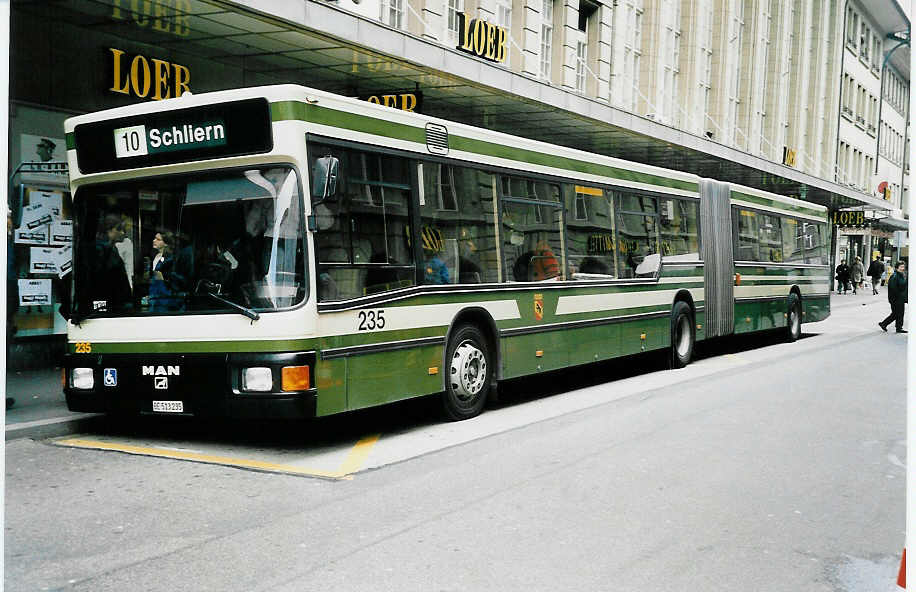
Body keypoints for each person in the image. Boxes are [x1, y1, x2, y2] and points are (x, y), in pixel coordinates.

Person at [149, 231, 181, 311]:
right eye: (154, 238)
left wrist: (161, 278)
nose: (154, 240)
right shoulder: (156, 256)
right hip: (155, 297)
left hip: (164, 300)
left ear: (166, 243)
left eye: (158, 239)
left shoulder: (170, 260)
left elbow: (172, 282)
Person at [879, 261, 907, 333]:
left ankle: (897, 327)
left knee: (899, 313)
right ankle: (885, 324)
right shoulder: (894, 276)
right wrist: (898, 296)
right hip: (896, 298)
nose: (902, 268)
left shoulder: (901, 275)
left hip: (900, 298)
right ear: (897, 267)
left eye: (903, 267)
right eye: (901, 267)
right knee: (897, 313)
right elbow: (893, 288)